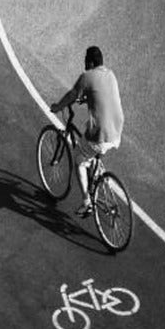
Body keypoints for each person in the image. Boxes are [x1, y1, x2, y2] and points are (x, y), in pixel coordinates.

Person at [50, 46, 124, 216]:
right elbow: (101, 95)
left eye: (85, 60)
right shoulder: (110, 74)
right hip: (117, 128)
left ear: (90, 62)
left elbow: (72, 95)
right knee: (91, 143)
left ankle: (86, 202)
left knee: (78, 158)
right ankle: (98, 178)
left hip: (101, 133)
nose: (84, 62)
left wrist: (57, 107)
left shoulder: (86, 77)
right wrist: (86, 97)